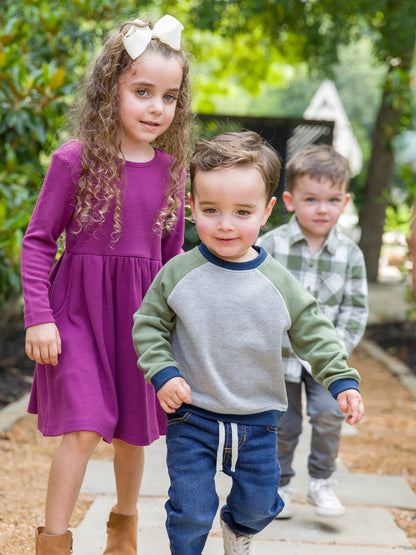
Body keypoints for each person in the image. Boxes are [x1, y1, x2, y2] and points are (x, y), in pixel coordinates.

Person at [132, 131, 364, 555]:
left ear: (267, 211)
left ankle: (239, 529)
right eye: (211, 210)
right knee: (190, 508)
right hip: (192, 416)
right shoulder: (178, 273)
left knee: (260, 505)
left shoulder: (278, 282)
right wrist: (163, 373)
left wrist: (341, 381)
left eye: (242, 212)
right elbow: (148, 325)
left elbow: (315, 332)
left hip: (258, 419)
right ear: (191, 207)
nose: (225, 224)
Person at [20, 14, 191, 555]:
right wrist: (39, 316)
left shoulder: (173, 171)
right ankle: (53, 541)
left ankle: (123, 527)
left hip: (138, 321)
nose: (156, 107)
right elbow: (39, 240)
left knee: (131, 432)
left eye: (169, 97)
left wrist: (177, 332)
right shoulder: (75, 160)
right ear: (109, 89)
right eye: (142, 91)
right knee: (85, 426)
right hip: (76, 315)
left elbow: (172, 261)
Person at [257, 144, 368, 519]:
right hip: (281, 358)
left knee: (329, 415)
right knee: (283, 426)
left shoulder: (350, 254)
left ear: (345, 201)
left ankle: (321, 482)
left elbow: (355, 308)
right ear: (289, 200)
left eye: (333, 199)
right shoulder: (269, 247)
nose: (322, 209)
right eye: (311, 199)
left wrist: (337, 349)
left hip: (326, 364)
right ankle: (281, 485)